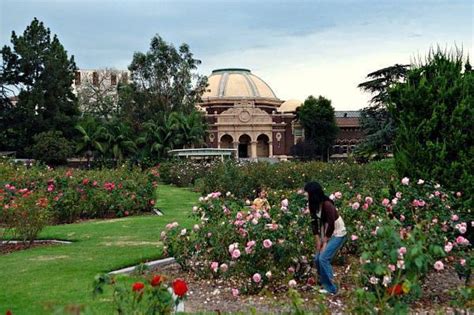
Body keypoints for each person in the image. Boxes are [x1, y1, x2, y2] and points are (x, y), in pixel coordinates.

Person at [304, 181, 346, 294]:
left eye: (307, 192)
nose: (305, 195)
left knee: (323, 258)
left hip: (337, 232)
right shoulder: (313, 204)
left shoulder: (327, 204)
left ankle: (331, 288)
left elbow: (331, 224)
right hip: (325, 232)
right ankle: (323, 282)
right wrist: (318, 241)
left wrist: (325, 242)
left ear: (313, 193)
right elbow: (314, 223)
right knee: (317, 258)